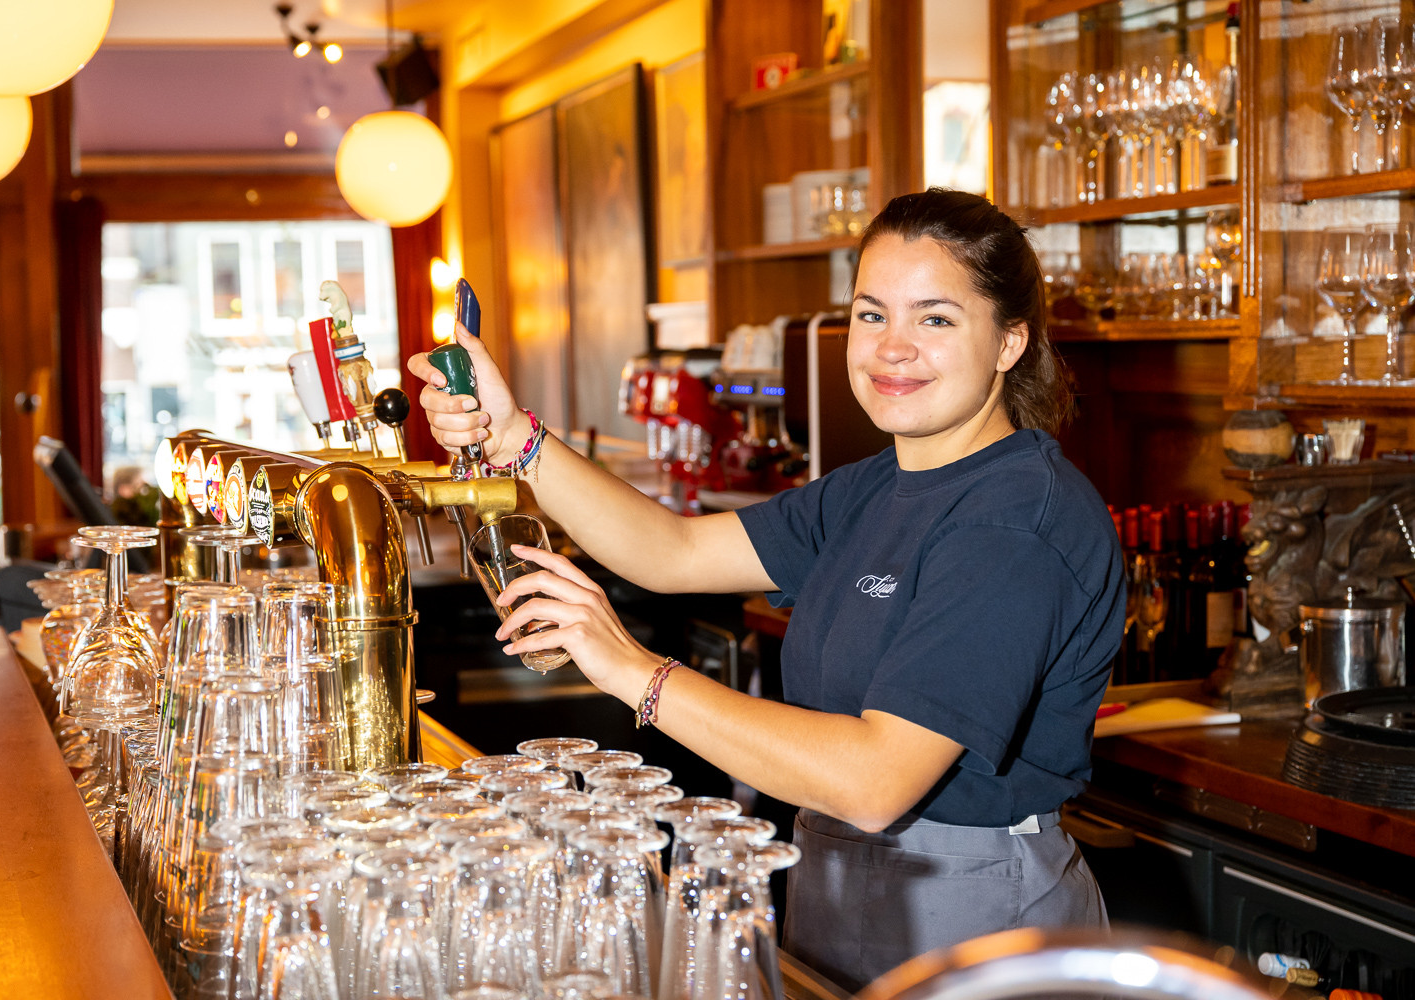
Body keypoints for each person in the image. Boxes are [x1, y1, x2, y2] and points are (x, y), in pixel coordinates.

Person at [408, 188, 1126, 992]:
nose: (892, 348)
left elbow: (874, 780)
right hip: (836, 880)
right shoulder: (873, 488)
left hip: (977, 918)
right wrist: (518, 440)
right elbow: (673, 551)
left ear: (1008, 343)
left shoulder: (1016, 523)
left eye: (935, 319)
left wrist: (635, 673)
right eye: (871, 314)